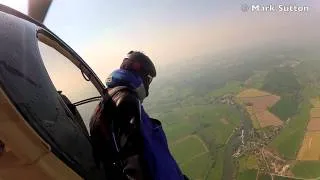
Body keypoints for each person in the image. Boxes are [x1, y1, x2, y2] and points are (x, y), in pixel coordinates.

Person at [89, 51, 188, 180]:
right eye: (149, 79)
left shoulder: (115, 98)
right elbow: (134, 167)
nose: (148, 85)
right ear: (140, 74)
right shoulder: (126, 102)